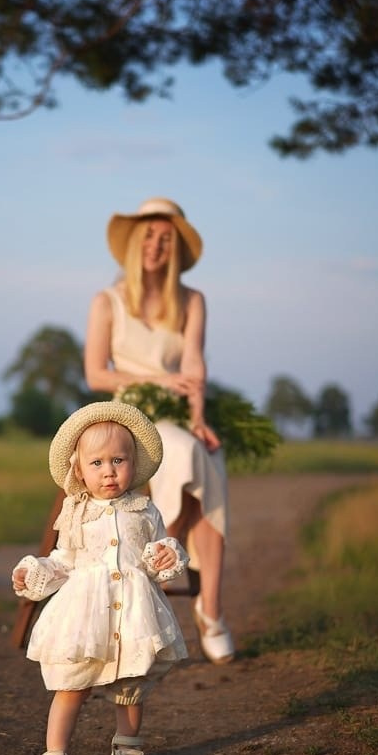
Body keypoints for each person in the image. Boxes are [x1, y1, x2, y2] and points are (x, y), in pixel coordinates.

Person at [84, 197, 235, 665]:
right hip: (127, 411)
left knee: (206, 453)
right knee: (190, 453)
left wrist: (198, 416)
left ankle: (206, 604)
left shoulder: (192, 301)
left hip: (175, 413)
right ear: (134, 243)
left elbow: (193, 366)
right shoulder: (106, 301)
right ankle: (190, 597)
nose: (156, 245)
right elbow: (96, 375)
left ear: (175, 251)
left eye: (165, 239)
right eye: (149, 235)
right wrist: (155, 381)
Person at [12, 400, 189, 755]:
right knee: (71, 683)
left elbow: (159, 553)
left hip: (132, 613)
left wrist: (164, 554)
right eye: (97, 463)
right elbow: (63, 561)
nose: (108, 472)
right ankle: (54, 754)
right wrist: (35, 571)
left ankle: (127, 744)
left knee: (130, 683)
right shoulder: (75, 512)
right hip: (84, 614)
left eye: (118, 461)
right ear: (79, 468)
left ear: (133, 462)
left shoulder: (144, 510)